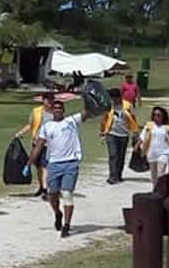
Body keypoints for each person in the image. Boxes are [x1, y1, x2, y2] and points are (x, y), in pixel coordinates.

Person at [28, 100, 90, 238]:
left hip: (70, 162)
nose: (57, 110)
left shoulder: (71, 121)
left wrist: (90, 100)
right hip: (54, 164)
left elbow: (86, 114)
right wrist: (29, 163)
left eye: (60, 108)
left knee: (67, 194)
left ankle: (66, 225)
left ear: (63, 110)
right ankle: (57, 213)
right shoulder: (47, 126)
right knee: (52, 194)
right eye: (55, 108)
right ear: (52, 111)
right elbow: (39, 146)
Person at [14, 92, 55, 199]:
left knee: (45, 165)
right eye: (48, 99)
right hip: (36, 142)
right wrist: (20, 133)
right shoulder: (36, 111)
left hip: (49, 143)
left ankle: (46, 189)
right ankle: (41, 186)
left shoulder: (55, 112)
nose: (50, 102)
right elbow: (30, 125)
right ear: (43, 100)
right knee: (38, 167)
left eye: (52, 99)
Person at [98, 88, 140, 185]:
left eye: (114, 98)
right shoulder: (108, 106)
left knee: (121, 156)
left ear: (118, 97)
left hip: (124, 134)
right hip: (111, 133)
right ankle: (112, 177)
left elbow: (133, 119)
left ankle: (118, 175)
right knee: (113, 155)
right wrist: (102, 131)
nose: (113, 100)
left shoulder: (128, 105)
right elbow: (103, 119)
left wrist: (135, 133)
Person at [137, 107, 169, 187]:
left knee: (161, 174)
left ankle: (161, 191)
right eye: (154, 114)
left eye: (158, 115)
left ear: (163, 116)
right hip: (151, 153)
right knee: (153, 176)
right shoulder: (149, 126)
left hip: (164, 153)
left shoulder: (167, 128)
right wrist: (137, 146)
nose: (156, 116)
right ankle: (155, 190)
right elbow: (142, 137)